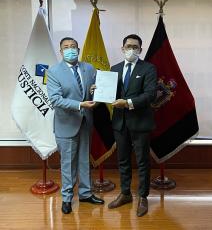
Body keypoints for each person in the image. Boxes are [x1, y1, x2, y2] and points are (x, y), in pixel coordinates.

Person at [47, 37, 104, 214]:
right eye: (66, 47)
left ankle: (86, 194)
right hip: (66, 124)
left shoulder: (88, 68)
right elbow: (55, 100)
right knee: (68, 164)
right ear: (61, 51)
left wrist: (95, 91)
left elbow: (93, 92)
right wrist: (80, 105)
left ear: (78, 50)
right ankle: (67, 198)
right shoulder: (54, 71)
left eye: (73, 47)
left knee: (84, 161)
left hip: (86, 122)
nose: (70, 49)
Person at [108, 34, 157, 217]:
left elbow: (150, 94)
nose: (131, 50)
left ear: (140, 50)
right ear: (122, 48)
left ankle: (143, 197)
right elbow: (109, 93)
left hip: (140, 123)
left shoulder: (149, 68)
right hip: (120, 124)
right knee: (123, 161)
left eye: (135, 47)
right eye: (128, 46)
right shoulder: (115, 69)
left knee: (143, 161)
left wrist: (127, 102)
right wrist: (96, 90)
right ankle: (126, 193)